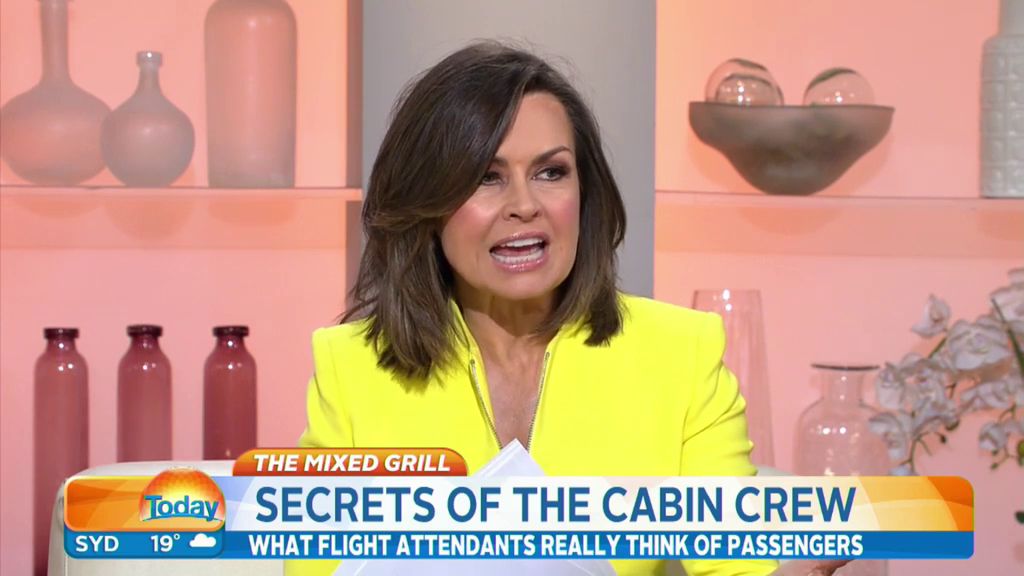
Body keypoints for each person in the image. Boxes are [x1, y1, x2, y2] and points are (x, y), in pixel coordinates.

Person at [287, 41, 846, 576]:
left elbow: (737, 563)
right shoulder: (352, 369)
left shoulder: (682, 355)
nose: (525, 205)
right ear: (427, 206)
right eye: (486, 178)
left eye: (551, 172)